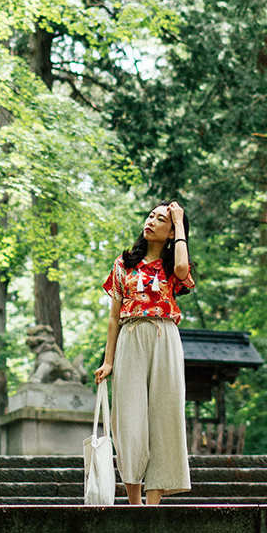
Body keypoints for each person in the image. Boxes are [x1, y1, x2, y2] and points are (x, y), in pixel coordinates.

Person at [94, 200, 193, 504]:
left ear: (172, 231)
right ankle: (134, 504)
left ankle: (152, 506)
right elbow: (114, 316)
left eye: (161, 219)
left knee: (165, 418)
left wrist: (178, 220)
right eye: (151, 215)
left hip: (165, 337)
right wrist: (108, 361)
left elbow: (181, 269)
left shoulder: (173, 264)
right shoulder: (123, 264)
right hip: (131, 336)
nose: (151, 221)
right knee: (129, 420)